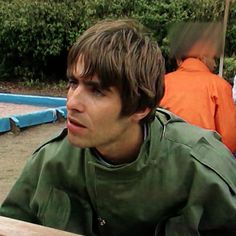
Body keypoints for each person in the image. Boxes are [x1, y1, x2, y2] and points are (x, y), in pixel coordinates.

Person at [1, 19, 236, 236]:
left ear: (140, 107)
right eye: (73, 83)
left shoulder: (203, 173)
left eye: (97, 91)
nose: (72, 103)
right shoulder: (50, 162)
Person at [160, 56, 236, 155]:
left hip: (164, 156)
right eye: (214, 59)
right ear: (202, 57)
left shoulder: (162, 82)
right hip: (204, 160)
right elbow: (230, 140)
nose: (215, 65)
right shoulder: (220, 86)